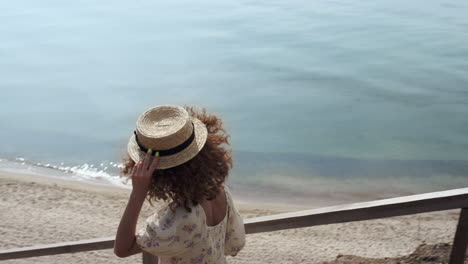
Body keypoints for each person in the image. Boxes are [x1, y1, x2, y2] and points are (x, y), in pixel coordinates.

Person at [114, 105, 246, 263]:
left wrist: (138, 193)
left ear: (161, 173)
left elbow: (122, 248)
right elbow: (234, 244)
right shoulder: (220, 191)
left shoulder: (181, 218)